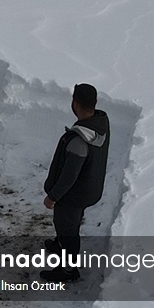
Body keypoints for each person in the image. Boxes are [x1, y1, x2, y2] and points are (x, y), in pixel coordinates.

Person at [41, 83, 110, 280]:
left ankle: (68, 270)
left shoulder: (79, 140)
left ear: (76, 104)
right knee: (72, 222)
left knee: (67, 230)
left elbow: (69, 176)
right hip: (88, 189)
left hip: (72, 195)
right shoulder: (100, 124)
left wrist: (53, 196)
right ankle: (60, 244)